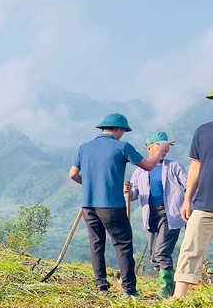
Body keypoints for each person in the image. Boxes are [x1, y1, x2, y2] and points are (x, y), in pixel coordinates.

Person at [69, 113, 171, 297]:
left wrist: (91, 184)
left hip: (88, 205)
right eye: (123, 130)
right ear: (118, 130)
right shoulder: (122, 146)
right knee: (123, 244)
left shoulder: (84, 147)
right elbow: (148, 165)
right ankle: (129, 289)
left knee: (96, 244)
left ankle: (102, 287)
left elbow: (73, 174)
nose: (122, 134)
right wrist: (160, 151)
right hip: (111, 205)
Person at [125, 132, 187, 298]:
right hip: (151, 215)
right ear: (149, 148)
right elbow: (134, 195)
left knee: (161, 252)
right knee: (154, 255)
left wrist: (189, 206)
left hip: (170, 214)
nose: (164, 150)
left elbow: (189, 186)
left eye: (165, 147)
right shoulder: (140, 171)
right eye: (159, 146)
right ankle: (167, 288)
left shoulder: (174, 166)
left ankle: (166, 289)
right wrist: (128, 191)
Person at [171, 87, 213, 300]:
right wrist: (187, 199)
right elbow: (195, 168)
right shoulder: (203, 131)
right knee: (190, 248)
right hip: (204, 203)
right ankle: (179, 298)